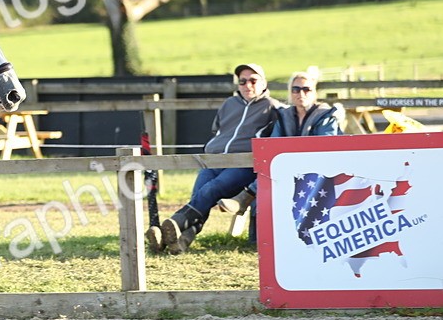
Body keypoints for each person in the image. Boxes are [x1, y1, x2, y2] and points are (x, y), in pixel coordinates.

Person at [147, 63, 282, 254]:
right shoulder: (229, 104)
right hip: (214, 161)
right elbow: (217, 130)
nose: (247, 85)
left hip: (243, 165)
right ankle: (181, 241)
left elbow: (282, 132)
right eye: (242, 81)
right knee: (199, 195)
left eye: (253, 80)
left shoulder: (273, 108)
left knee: (210, 190)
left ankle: (173, 224)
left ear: (264, 83)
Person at [217, 67, 344, 216]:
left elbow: (325, 149)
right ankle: (252, 218)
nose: (301, 94)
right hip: (287, 170)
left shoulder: (325, 116)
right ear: (290, 92)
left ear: (314, 92)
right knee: (268, 171)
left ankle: (246, 196)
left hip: (319, 170)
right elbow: (273, 146)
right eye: (296, 89)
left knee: (278, 170)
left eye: (306, 89)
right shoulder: (284, 116)